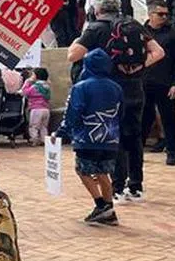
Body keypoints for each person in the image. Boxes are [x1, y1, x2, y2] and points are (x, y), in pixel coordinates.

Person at [67, 0, 164, 204]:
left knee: (115, 137)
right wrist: (138, 67)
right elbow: (158, 52)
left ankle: (117, 187)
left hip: (109, 91)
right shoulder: (134, 25)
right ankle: (136, 186)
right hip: (136, 89)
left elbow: (73, 55)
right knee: (135, 136)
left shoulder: (95, 29)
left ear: (96, 9)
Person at [52, 49, 124, 225]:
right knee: (103, 172)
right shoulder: (116, 87)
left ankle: (101, 205)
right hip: (110, 138)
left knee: (83, 170)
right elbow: (121, 113)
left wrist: (61, 132)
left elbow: (73, 112)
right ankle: (109, 208)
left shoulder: (81, 87)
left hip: (87, 138)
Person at [141, 1, 175, 166]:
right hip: (144, 83)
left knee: (168, 119)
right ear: (150, 14)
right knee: (144, 118)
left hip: (165, 83)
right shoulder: (141, 32)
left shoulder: (173, 35)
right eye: (160, 14)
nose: (164, 17)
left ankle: (172, 151)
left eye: (166, 14)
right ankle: (137, 151)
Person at [22, 67, 51, 145]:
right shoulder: (47, 86)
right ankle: (44, 140)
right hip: (46, 109)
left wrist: (27, 82)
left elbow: (25, 92)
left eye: (33, 74)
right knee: (43, 127)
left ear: (36, 76)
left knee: (34, 126)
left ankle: (34, 140)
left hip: (36, 109)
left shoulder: (35, 87)